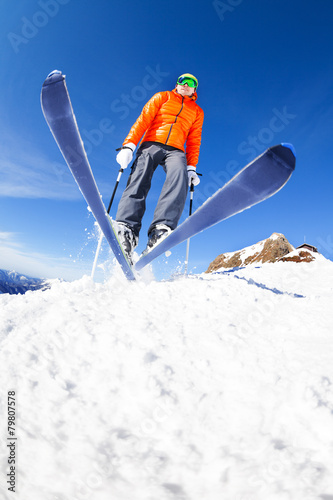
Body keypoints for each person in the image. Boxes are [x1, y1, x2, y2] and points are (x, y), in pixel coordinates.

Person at [115, 73, 204, 261]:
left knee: (179, 176)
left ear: (195, 89)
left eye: (191, 83)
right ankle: (127, 229)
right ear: (177, 84)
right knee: (140, 175)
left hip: (176, 150)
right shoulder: (162, 97)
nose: (186, 85)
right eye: (183, 81)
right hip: (151, 143)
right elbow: (143, 120)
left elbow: (194, 140)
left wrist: (191, 168)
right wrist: (129, 145)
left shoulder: (197, 111)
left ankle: (161, 230)